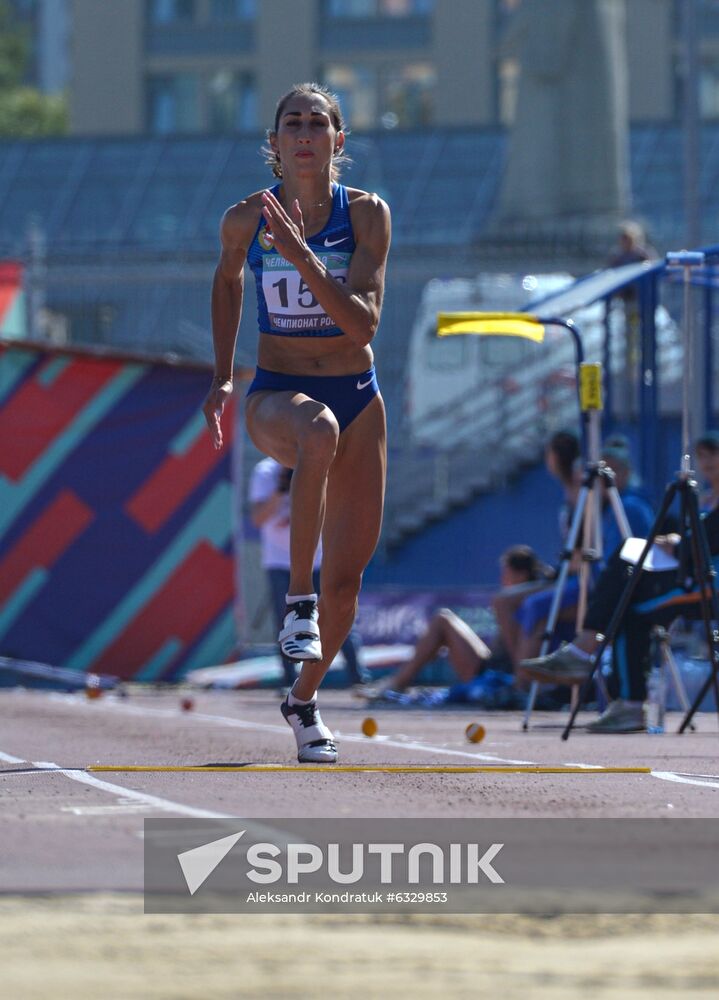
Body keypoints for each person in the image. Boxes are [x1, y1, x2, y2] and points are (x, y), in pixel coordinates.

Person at [203, 82, 391, 764]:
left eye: (318, 124)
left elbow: (361, 323)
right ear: (275, 143)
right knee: (316, 433)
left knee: (351, 582)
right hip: (280, 392)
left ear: (338, 141)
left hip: (357, 393)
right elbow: (227, 283)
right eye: (293, 123)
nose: (305, 134)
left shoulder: (366, 216)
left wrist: (304, 257)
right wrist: (223, 374)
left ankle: (303, 701)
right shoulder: (243, 219)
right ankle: (297, 605)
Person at [520, 436, 719, 733]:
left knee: (629, 598)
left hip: (708, 586)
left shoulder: (636, 505)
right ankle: (618, 693)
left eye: (714, 455)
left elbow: (701, 546)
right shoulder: (705, 500)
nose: (707, 462)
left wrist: (675, 545)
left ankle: (599, 668)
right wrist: (677, 545)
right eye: (702, 455)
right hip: (692, 578)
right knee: (627, 582)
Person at [512, 433, 654, 667]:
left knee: (534, 606)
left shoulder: (629, 507)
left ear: (626, 473)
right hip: (591, 581)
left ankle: (523, 684)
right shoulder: (602, 505)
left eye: (613, 470)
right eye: (602, 470)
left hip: (603, 586)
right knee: (526, 605)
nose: (605, 477)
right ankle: (525, 678)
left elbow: (614, 564)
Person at [361, 546, 552, 700]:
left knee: (442, 620)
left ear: (521, 575)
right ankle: (400, 680)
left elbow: (516, 652)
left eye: (506, 574)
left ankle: (397, 683)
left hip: (497, 675)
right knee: (443, 620)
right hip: (492, 665)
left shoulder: (520, 603)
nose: (502, 579)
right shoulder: (518, 600)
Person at [249, 455, 369, 692]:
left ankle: (358, 677)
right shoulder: (265, 471)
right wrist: (282, 489)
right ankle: (289, 680)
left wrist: (306, 483)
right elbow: (258, 518)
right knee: (286, 622)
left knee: (337, 611)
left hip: (318, 559)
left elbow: (334, 508)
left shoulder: (317, 463)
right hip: (280, 562)